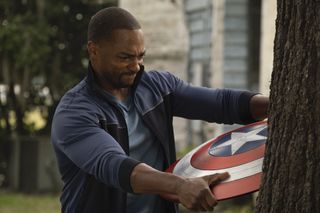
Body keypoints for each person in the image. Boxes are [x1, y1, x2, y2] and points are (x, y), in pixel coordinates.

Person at [51, 7, 268, 213]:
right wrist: (179, 185)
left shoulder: (157, 87)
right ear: (93, 50)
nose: (135, 66)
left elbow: (222, 103)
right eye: (125, 57)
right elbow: (114, 165)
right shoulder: (74, 112)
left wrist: (277, 107)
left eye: (140, 56)